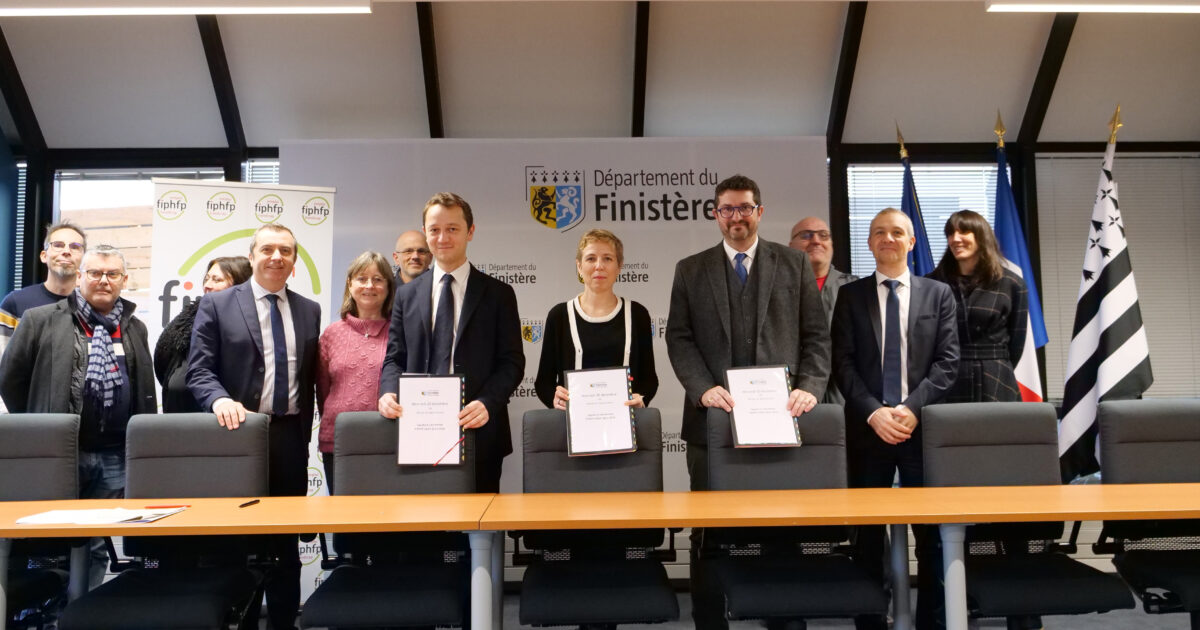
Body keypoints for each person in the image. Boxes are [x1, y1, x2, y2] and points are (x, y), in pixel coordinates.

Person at [666, 174, 830, 630]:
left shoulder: (794, 263)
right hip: (711, 424)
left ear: (759, 212)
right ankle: (709, 621)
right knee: (709, 533)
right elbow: (678, 337)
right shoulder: (690, 269)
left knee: (781, 527)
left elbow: (817, 337)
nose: (735, 216)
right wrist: (701, 387)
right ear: (715, 214)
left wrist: (810, 387)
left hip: (781, 420)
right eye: (727, 209)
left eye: (744, 208)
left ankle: (784, 618)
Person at [187, 224, 321, 630]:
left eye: (286, 250)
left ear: (294, 261)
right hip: (236, 437)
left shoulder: (309, 310)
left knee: (285, 543)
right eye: (267, 249)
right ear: (252, 256)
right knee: (237, 541)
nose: (276, 257)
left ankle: (283, 623)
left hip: (289, 439)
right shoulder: (218, 305)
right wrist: (220, 399)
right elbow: (199, 370)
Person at [831, 208, 959, 630]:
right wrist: (874, 412)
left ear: (911, 242)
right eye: (879, 232)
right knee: (867, 540)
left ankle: (932, 624)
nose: (888, 238)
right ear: (869, 242)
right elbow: (843, 364)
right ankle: (870, 623)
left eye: (897, 232)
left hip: (921, 431)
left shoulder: (938, 294)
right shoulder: (850, 296)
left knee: (933, 539)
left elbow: (947, 363)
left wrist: (910, 409)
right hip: (868, 432)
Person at [0, 245, 156, 588]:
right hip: (59, 454)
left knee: (97, 543)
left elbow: (144, 387)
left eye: (112, 274)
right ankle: (46, 609)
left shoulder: (134, 327)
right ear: (81, 277)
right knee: (46, 539)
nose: (104, 280)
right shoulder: (40, 319)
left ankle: (84, 608)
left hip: (114, 454)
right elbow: (10, 379)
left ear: (124, 280)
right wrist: (37, 424)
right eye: (95, 273)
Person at [928, 210, 1039, 630]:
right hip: (947, 385)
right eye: (951, 233)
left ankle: (1020, 607)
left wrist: (993, 369)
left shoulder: (1010, 282)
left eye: (965, 231)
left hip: (996, 383)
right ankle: (957, 601)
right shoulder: (933, 282)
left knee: (1004, 494)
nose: (957, 238)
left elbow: (1016, 342)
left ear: (981, 236)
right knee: (953, 493)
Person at [377, 192, 524, 493]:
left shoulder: (498, 294)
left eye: (452, 229)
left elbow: (512, 362)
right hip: (419, 430)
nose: (442, 238)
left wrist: (487, 402)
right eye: (434, 229)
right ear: (426, 233)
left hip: (479, 430)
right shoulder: (406, 295)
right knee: (422, 519)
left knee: (481, 520)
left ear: (470, 232)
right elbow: (395, 357)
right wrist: (388, 391)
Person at [534, 228, 657, 411]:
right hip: (573, 422)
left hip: (624, 422)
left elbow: (649, 380)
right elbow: (543, 383)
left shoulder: (637, 315)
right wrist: (555, 398)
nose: (599, 266)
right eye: (591, 258)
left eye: (607, 258)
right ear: (579, 266)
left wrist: (642, 398)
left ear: (619, 266)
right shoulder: (560, 316)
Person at [316, 251, 394, 493]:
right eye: (362, 278)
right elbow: (323, 390)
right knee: (343, 514)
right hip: (338, 441)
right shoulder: (332, 333)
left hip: (387, 441)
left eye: (378, 279)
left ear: (388, 287)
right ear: (350, 284)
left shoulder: (400, 333)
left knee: (385, 513)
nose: (369, 285)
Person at [153, 256, 251, 413]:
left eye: (217, 280)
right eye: (207, 278)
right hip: (178, 415)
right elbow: (163, 359)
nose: (207, 285)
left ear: (240, 284)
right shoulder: (188, 318)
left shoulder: (245, 327)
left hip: (221, 416)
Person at [0, 221, 87, 369]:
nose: (66, 251)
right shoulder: (15, 303)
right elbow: (3, 365)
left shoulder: (92, 307)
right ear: (43, 256)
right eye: (58, 245)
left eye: (75, 247)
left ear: (84, 259)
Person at [790, 216, 859, 404]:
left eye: (824, 235)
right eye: (806, 235)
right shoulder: (776, 289)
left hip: (845, 394)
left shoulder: (855, 288)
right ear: (790, 246)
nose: (816, 241)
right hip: (794, 392)